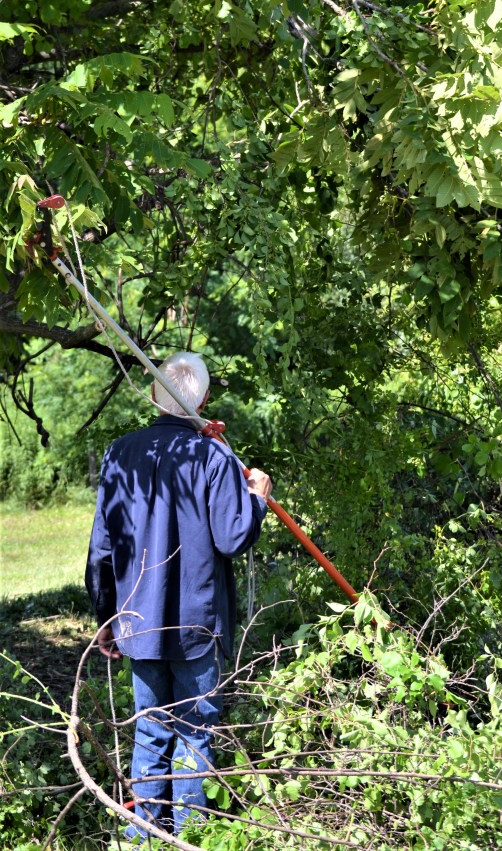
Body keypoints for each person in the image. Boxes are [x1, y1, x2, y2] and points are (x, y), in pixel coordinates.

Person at [85, 352, 271, 841]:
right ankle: (189, 837)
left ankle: (145, 836)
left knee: (151, 729)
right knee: (194, 731)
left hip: (138, 621)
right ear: (205, 400)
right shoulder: (214, 457)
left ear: (153, 396)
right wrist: (257, 495)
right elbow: (234, 537)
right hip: (195, 624)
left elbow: (102, 547)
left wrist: (108, 615)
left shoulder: (120, 453)